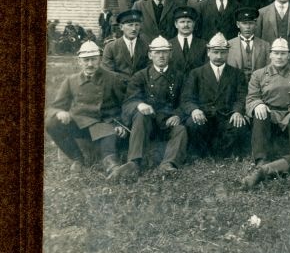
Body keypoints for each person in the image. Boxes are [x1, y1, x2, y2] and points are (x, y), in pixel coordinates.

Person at [109, 36, 189, 181]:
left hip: (168, 123)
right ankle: (134, 162)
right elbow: (128, 102)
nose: (161, 56)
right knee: (140, 115)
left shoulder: (179, 76)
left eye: (165, 52)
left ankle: (168, 164)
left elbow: (185, 101)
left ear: (171, 54)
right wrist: (139, 104)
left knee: (181, 129)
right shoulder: (140, 76)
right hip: (147, 124)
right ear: (150, 55)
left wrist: (177, 115)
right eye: (157, 52)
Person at [45, 40, 127, 175]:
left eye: (94, 59)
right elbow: (54, 107)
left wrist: (121, 124)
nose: (90, 64)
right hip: (79, 124)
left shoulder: (112, 79)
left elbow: (124, 104)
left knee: (109, 147)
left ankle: (113, 167)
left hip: (104, 123)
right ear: (79, 61)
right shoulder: (71, 80)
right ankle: (77, 159)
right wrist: (60, 112)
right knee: (51, 123)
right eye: (86, 60)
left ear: (99, 59)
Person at [180, 33, 249, 159]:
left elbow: (241, 97)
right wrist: (194, 110)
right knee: (192, 123)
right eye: (215, 52)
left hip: (226, 115)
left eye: (223, 53)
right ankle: (200, 154)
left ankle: (224, 154)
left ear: (228, 53)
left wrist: (237, 112)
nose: (219, 56)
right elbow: (187, 98)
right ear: (208, 52)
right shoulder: (196, 73)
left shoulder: (237, 74)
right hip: (204, 116)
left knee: (239, 124)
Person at [245, 37, 290, 165]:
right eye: (276, 53)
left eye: (283, 53)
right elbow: (252, 97)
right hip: (269, 114)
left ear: (289, 55)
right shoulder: (258, 74)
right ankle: (261, 159)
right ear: (270, 55)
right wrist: (258, 105)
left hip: (289, 113)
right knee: (260, 113)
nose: (279, 57)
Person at [101, 9, 149, 78]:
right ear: (121, 27)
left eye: (137, 25)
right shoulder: (110, 47)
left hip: (140, 83)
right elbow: (108, 72)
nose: (134, 29)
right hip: (118, 84)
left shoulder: (146, 46)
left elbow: (149, 69)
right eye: (130, 25)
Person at [227, 7, 270, 82]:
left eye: (251, 23)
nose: (247, 27)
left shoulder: (265, 45)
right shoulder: (228, 45)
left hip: (259, 85)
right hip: (236, 85)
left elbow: (268, 69)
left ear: (256, 24)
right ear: (238, 24)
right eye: (244, 23)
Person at [167, 6, 208, 74]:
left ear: (194, 24)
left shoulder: (204, 45)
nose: (186, 25)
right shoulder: (168, 45)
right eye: (182, 22)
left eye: (189, 22)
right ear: (176, 24)